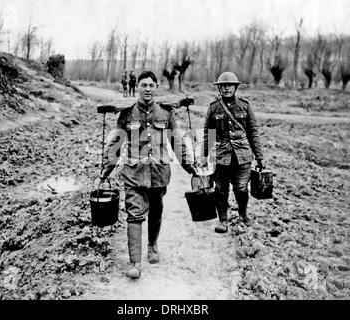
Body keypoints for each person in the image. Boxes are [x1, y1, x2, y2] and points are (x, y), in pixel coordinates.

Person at [101, 71, 198, 279]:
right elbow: (115, 145)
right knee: (134, 214)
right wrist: (105, 170)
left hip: (159, 174)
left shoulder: (165, 113)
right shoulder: (127, 114)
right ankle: (135, 263)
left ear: (156, 88)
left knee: (156, 211)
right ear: (137, 87)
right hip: (134, 174)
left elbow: (178, 143)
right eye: (143, 85)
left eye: (151, 85)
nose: (147, 89)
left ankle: (152, 245)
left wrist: (191, 168)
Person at [199, 71, 265, 233]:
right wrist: (204, 156)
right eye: (223, 86)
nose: (227, 88)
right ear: (219, 89)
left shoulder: (245, 106)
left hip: (243, 155)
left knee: (241, 188)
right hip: (221, 156)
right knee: (221, 190)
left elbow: (253, 133)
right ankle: (223, 220)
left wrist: (260, 157)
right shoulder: (213, 108)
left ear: (235, 87)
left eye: (230, 86)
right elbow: (208, 134)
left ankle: (243, 215)